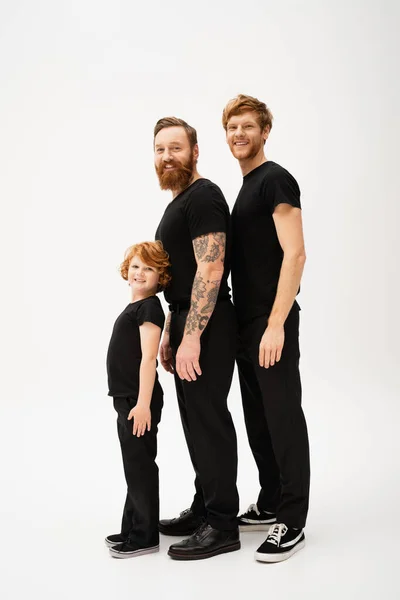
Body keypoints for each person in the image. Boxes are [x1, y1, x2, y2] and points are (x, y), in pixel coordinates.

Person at [222, 94, 311, 563]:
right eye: (232, 127)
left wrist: (276, 323)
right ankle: (272, 497)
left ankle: (292, 519)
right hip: (245, 321)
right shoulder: (245, 187)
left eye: (248, 127)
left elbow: (294, 253)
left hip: (269, 320)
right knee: (257, 416)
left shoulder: (275, 179)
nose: (239, 134)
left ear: (265, 132)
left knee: (282, 415)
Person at [154, 116, 240, 560]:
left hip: (208, 326)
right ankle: (205, 507)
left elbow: (210, 269)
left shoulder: (204, 196)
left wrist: (192, 336)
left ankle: (224, 525)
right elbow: (182, 278)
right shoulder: (181, 201)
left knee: (209, 421)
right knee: (195, 423)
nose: (167, 156)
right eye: (160, 149)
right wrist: (173, 328)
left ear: (195, 151)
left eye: (176, 147)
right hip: (189, 319)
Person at [104, 241, 170, 558]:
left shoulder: (149, 309)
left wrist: (142, 404)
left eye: (148, 268)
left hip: (137, 400)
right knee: (134, 464)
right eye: (135, 266)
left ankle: (145, 535)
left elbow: (148, 359)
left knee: (140, 465)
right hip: (127, 398)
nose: (139, 272)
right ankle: (132, 527)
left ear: (160, 276)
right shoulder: (135, 307)